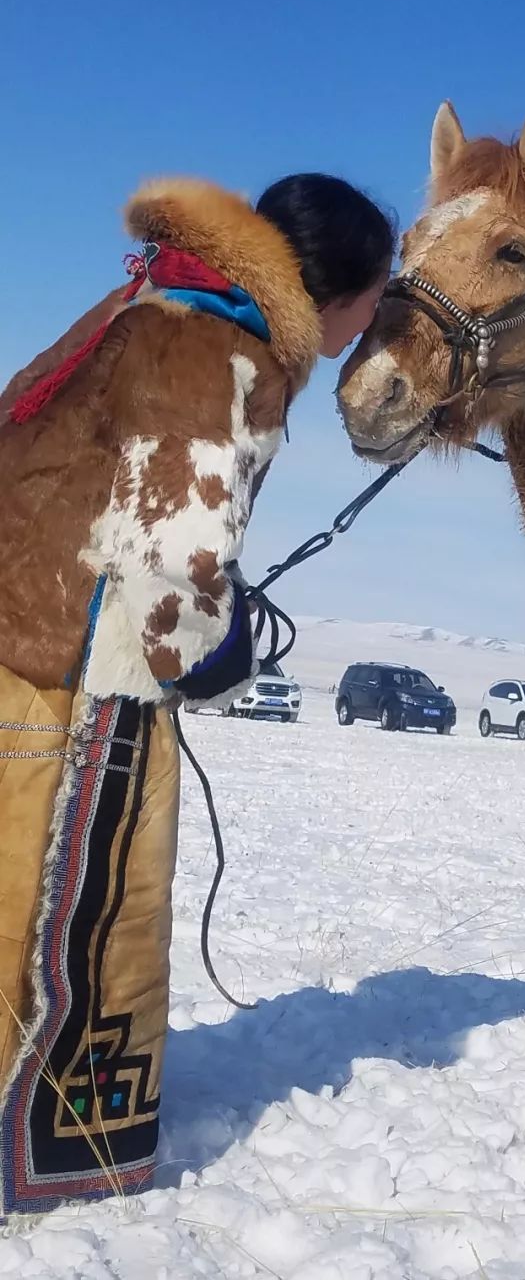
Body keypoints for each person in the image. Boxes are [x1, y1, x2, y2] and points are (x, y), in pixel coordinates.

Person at [0, 172, 393, 1214]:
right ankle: (50, 1149)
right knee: (67, 912)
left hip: (18, 642)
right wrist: (222, 653)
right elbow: (173, 563)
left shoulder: (154, 305)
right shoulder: (216, 348)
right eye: (375, 298)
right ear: (335, 290)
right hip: (72, 685)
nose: (371, 325)